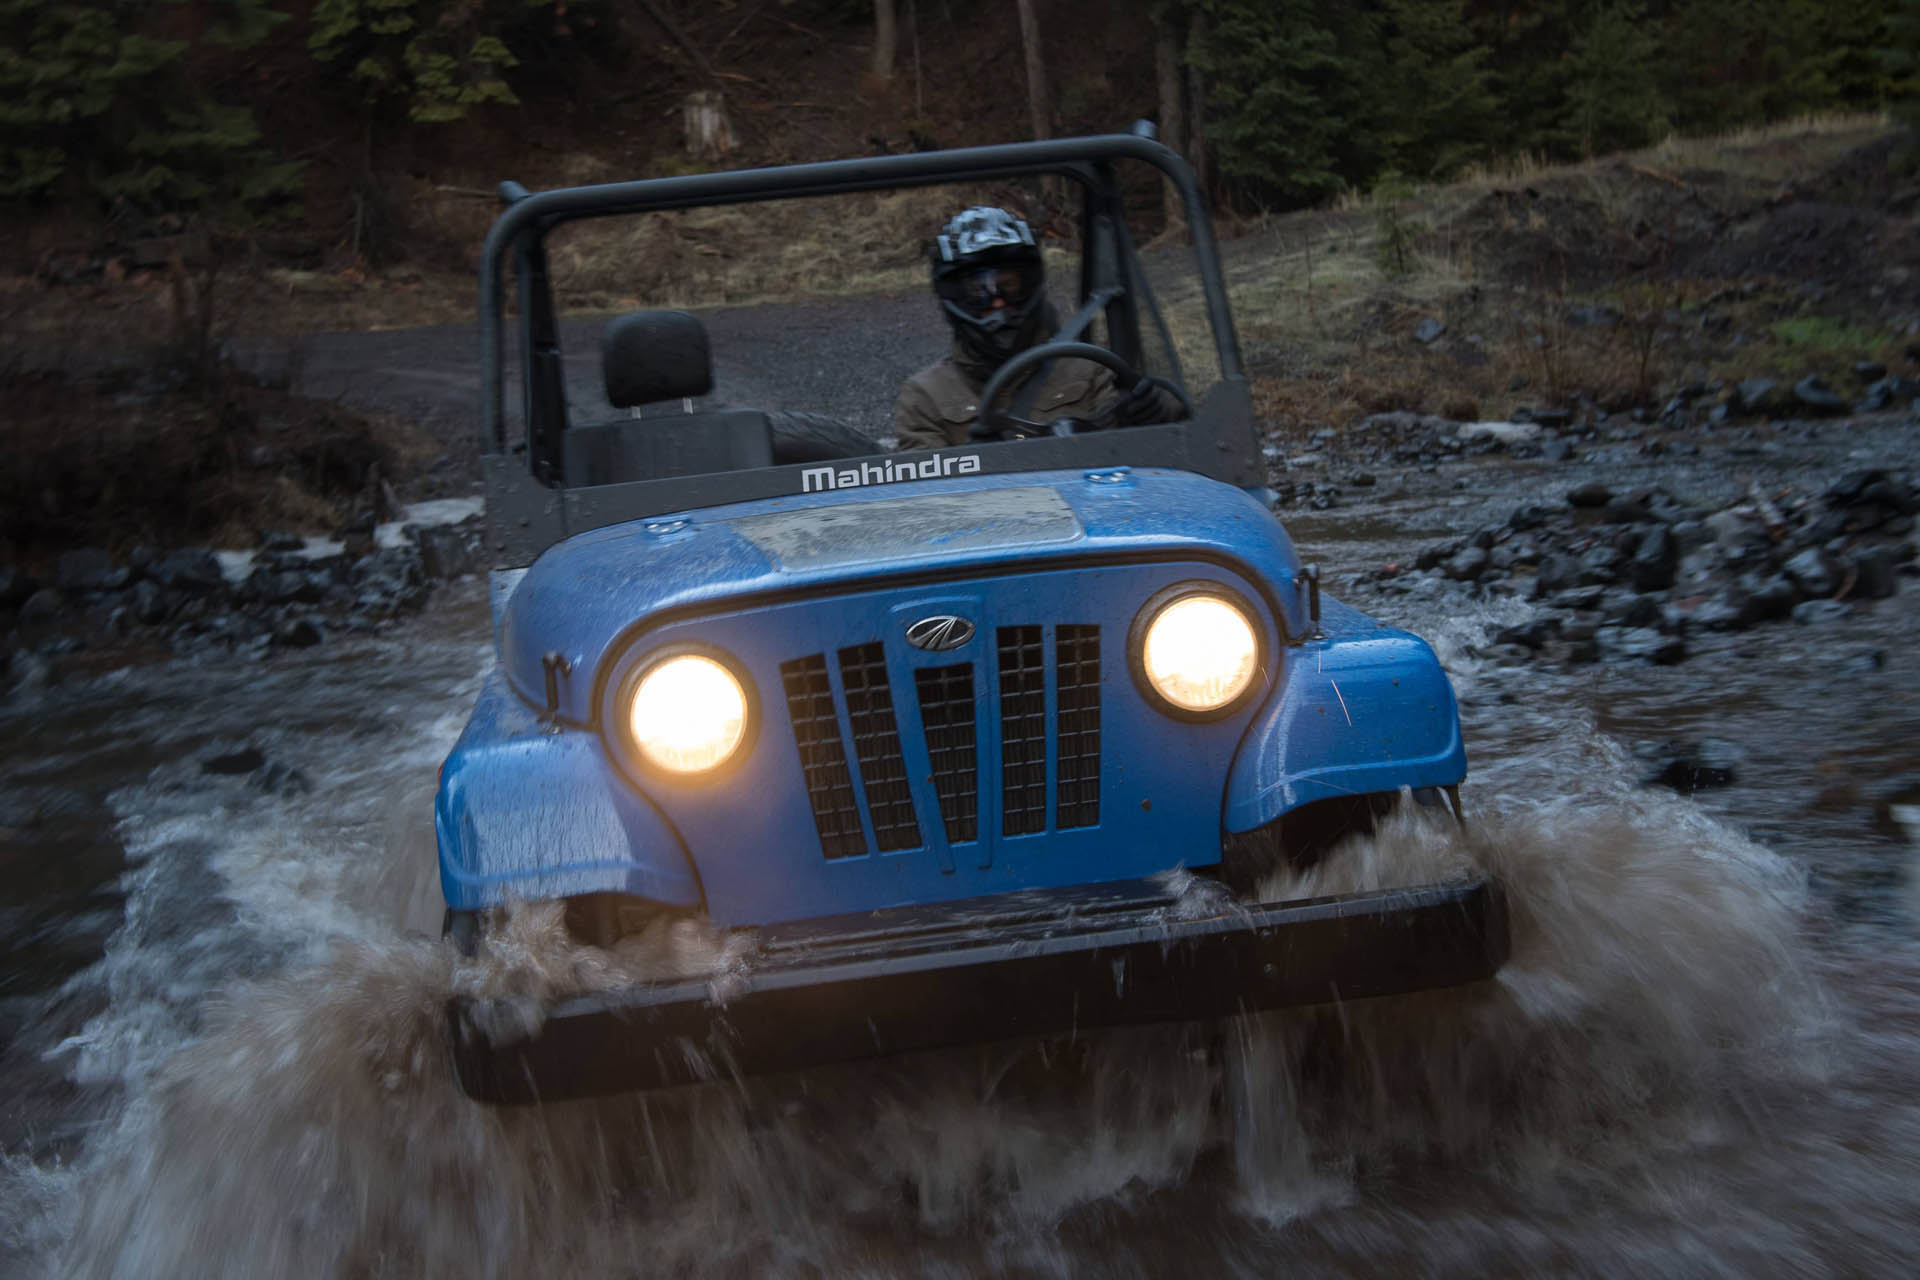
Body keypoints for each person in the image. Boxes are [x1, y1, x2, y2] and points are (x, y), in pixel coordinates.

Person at [893, 206, 1184, 449]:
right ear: (955, 297)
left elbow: (1146, 465)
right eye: (980, 292)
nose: (998, 303)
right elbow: (921, 503)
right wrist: (973, 466)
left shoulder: (1090, 370)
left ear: (1030, 284)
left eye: (1008, 286)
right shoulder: (925, 396)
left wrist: (1158, 415)